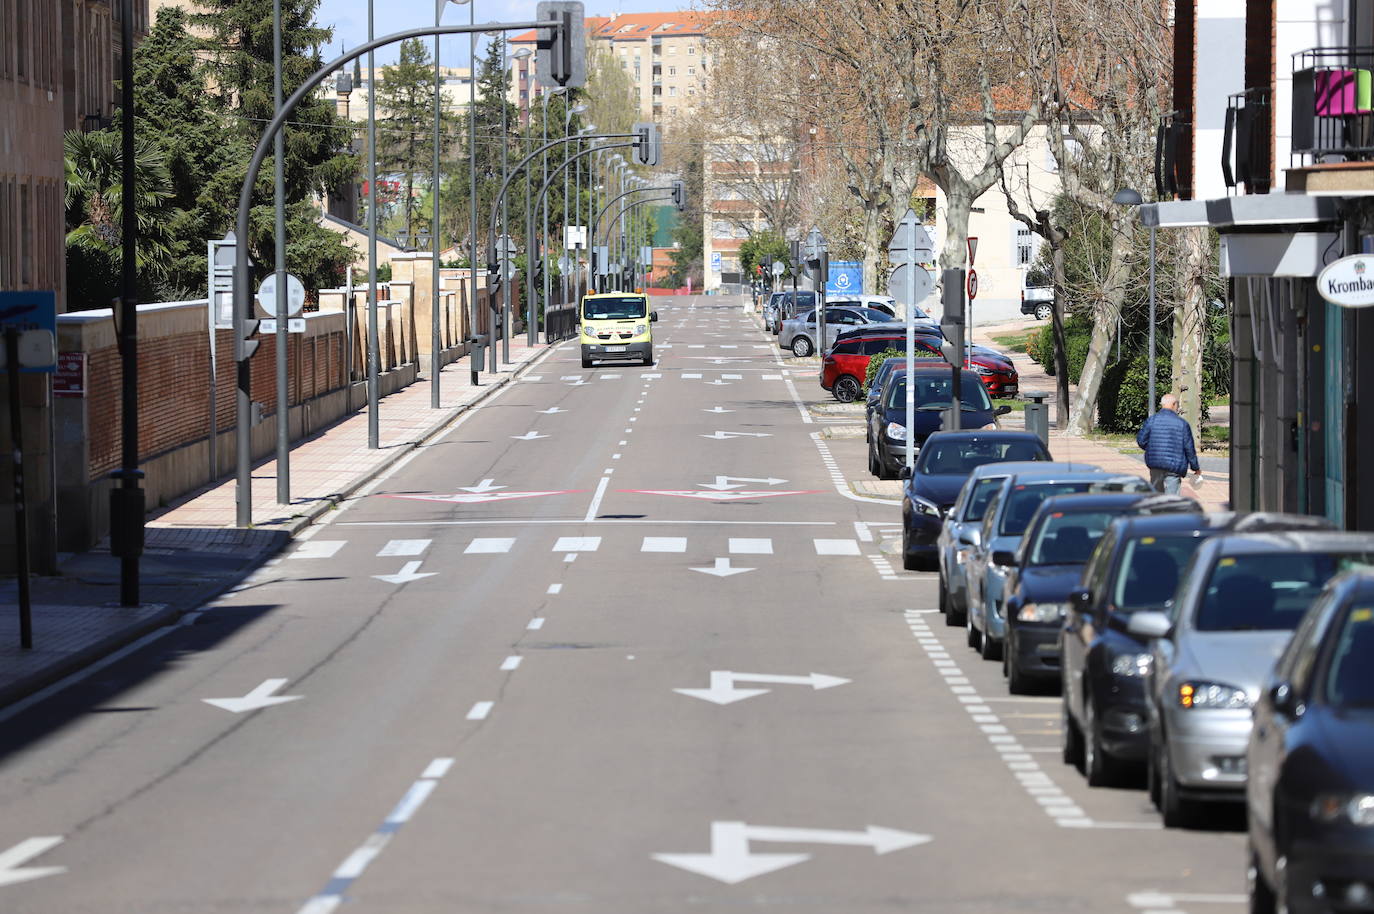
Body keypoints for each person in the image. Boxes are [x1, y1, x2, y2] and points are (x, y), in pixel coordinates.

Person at [1136, 393, 1202, 494]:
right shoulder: (1182, 424)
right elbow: (1189, 448)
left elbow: (1141, 440)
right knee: (1172, 496)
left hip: (1155, 463)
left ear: (1162, 405)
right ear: (1174, 404)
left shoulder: (1151, 420)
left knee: (1156, 495)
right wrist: (1195, 467)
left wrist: (1151, 449)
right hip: (1174, 465)